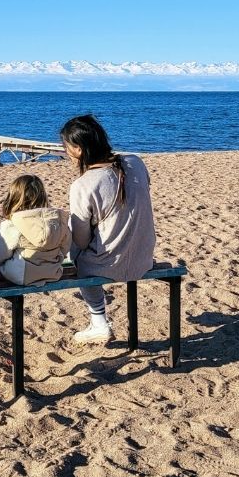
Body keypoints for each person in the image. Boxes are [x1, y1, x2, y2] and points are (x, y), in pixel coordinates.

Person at [60, 114, 155, 344]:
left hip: (108, 265)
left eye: (67, 148)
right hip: (144, 257)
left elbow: (81, 241)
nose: (66, 154)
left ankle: (99, 321)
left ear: (79, 149)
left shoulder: (84, 184)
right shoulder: (136, 162)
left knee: (76, 251)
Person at [0, 174, 71, 285]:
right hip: (53, 273)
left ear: (13, 198)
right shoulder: (58, 221)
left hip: (20, 275)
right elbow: (65, 249)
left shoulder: (13, 224)